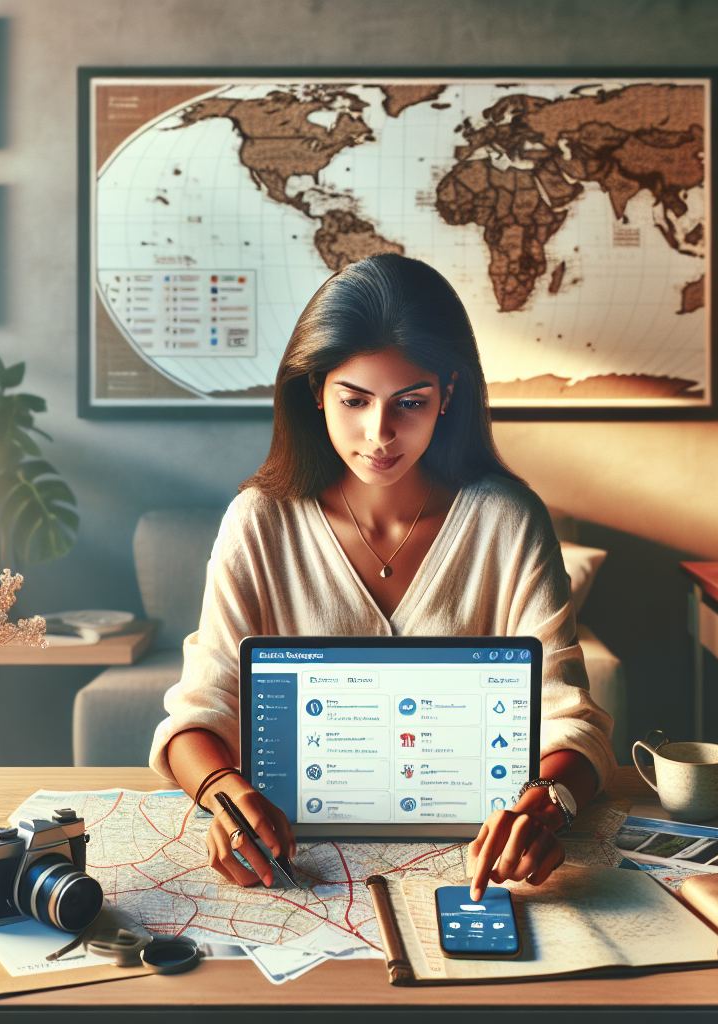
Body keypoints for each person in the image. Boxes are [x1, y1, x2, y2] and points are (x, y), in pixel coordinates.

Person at [149, 254, 615, 901]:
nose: (380, 435)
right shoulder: (258, 521)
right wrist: (225, 795)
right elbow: (200, 711)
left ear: (448, 394)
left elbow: (572, 719)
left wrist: (541, 808)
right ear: (315, 392)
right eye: (354, 400)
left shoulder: (508, 520)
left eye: (410, 403)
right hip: (298, 867)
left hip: (473, 864)